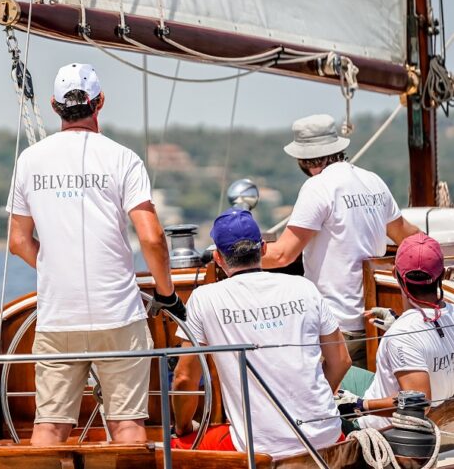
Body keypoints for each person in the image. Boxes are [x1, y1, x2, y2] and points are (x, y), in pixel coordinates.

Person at [7, 63, 179, 446]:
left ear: (54, 106)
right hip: (117, 312)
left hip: (58, 316)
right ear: (99, 102)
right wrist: (167, 294)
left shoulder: (29, 160)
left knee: (49, 426)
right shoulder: (123, 158)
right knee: (127, 424)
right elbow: (151, 239)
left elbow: (18, 240)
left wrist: (54, 270)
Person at [171, 209, 351, 456]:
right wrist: (314, 409)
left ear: (218, 258)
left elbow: (184, 379)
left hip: (260, 450)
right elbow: (341, 361)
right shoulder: (304, 288)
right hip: (327, 438)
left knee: (175, 449)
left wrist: (182, 429)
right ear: (264, 248)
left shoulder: (204, 299)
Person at [262, 114, 419, 368]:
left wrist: (233, 255)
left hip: (336, 329)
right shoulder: (373, 181)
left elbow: (282, 255)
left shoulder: (318, 187)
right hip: (376, 324)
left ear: (306, 160)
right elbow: (409, 237)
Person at [337, 233, 454, 429]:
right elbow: (434, 340)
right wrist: (399, 323)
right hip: (441, 418)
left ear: (395, 275)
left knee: (317, 376)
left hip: (380, 427)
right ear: (442, 274)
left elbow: (419, 403)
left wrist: (359, 406)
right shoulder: (450, 313)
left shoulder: (402, 335)